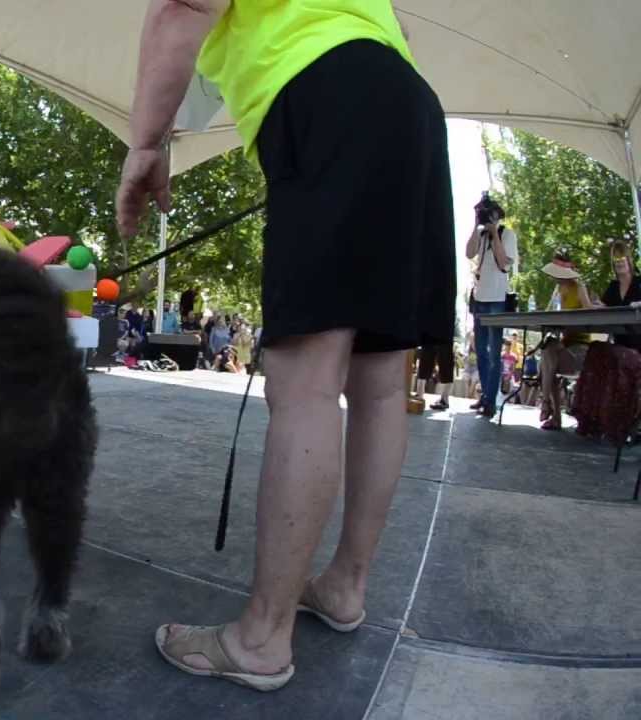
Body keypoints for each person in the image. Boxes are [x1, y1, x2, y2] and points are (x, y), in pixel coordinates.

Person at [117, 1, 454, 690]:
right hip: (409, 104)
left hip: (326, 91)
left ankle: (262, 638)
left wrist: (146, 143)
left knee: (305, 383)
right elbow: (399, 29)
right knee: (381, 381)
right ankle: (345, 586)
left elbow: (184, 5)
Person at [466, 195, 519, 418]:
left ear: (498, 215)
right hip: (480, 297)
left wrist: (495, 232)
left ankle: (491, 400)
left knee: (494, 352)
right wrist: (475, 225)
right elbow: (469, 253)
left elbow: (504, 263)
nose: (487, 217)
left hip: (497, 297)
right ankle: (485, 396)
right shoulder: (481, 235)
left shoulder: (507, 234)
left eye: (490, 214)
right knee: (480, 350)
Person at [538, 253, 592, 430]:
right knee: (548, 353)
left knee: (547, 360)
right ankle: (548, 405)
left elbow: (589, 314)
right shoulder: (558, 290)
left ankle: (549, 408)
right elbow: (549, 315)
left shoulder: (579, 287)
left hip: (580, 346)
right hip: (563, 344)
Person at [602, 239, 641, 351]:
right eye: (616, 259)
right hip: (620, 348)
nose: (619, 262)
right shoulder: (613, 286)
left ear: (629, 260)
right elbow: (602, 308)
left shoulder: (639, 282)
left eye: (622, 258)